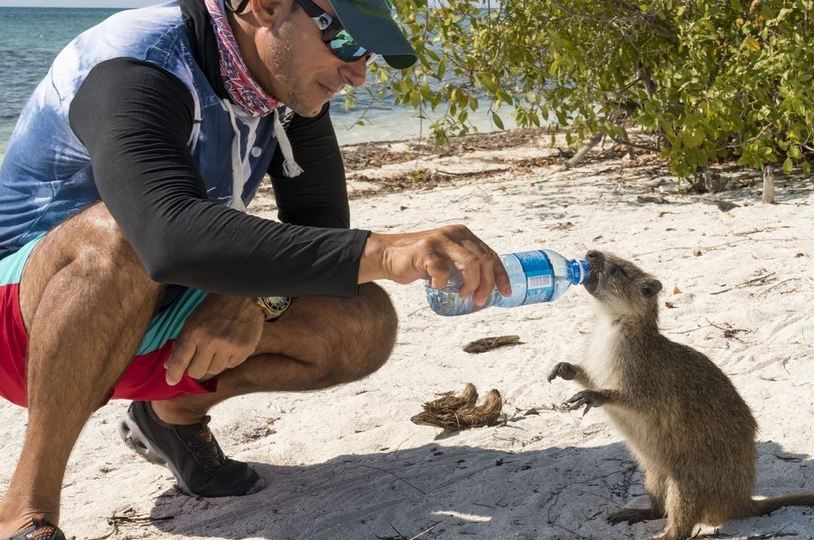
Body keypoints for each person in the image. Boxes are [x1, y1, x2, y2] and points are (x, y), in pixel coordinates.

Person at [0, 0, 510, 537]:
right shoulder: (136, 64)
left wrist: (242, 296)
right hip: (27, 325)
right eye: (345, 42)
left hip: (157, 318)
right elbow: (166, 235)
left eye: (367, 52)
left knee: (360, 317)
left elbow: (320, 221)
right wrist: (385, 252)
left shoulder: (284, 88)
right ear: (267, 7)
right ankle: (26, 507)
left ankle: (172, 417)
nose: (358, 73)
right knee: (118, 233)